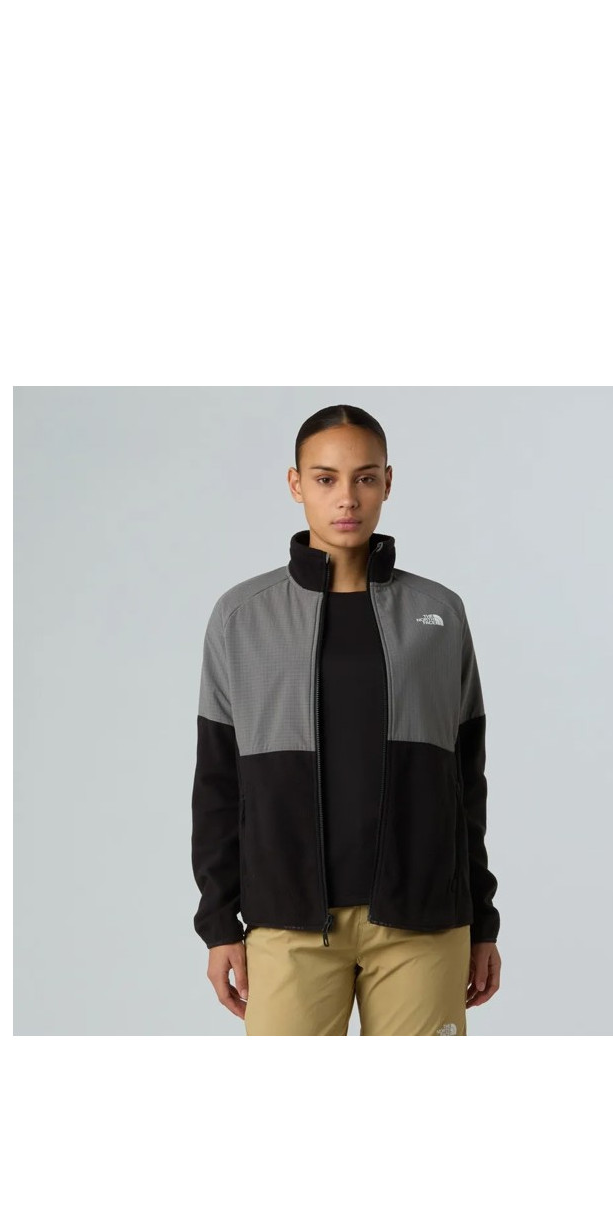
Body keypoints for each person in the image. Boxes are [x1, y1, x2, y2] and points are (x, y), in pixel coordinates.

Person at [191, 404, 502, 1035]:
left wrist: (482, 921)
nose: (347, 498)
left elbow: (465, 781)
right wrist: (220, 923)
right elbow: (218, 782)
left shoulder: (439, 613)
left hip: (423, 920)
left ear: (388, 482)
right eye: (326, 478)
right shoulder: (242, 617)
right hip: (288, 922)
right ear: (295, 484)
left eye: (365, 478)